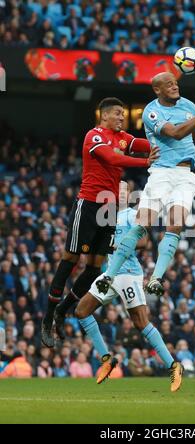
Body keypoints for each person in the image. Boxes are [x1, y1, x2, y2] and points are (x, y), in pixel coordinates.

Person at [96, 72, 195, 297]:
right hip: (161, 173)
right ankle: (109, 274)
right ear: (158, 90)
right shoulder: (151, 112)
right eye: (168, 85)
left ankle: (155, 278)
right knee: (142, 225)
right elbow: (176, 133)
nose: (175, 87)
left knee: (175, 225)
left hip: (186, 175)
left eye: (175, 83)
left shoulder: (188, 106)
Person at [41, 97, 158, 347]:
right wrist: (146, 162)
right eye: (117, 113)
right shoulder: (94, 136)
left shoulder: (124, 138)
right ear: (104, 115)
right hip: (89, 204)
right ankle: (48, 318)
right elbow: (113, 159)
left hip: (110, 208)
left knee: (94, 268)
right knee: (70, 260)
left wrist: (172, 141)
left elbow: (146, 143)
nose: (121, 117)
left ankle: (63, 310)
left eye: (122, 114)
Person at [75, 186, 184, 392]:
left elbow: (142, 242)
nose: (121, 192)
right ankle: (107, 359)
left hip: (128, 274)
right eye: (118, 189)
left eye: (125, 190)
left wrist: (113, 245)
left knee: (141, 323)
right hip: (110, 275)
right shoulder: (107, 215)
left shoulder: (134, 214)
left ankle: (174, 365)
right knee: (81, 311)